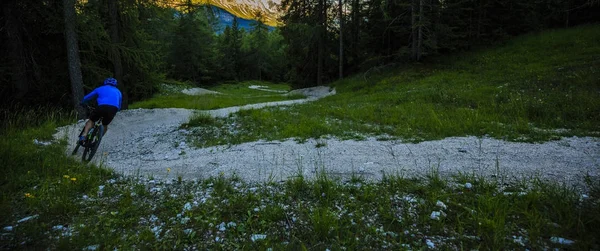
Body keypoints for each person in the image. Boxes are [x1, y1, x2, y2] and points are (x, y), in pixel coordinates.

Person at [79, 77, 122, 145]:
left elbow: (86, 97)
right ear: (115, 84)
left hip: (101, 107)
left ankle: (84, 136)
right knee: (105, 125)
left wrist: (82, 102)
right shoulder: (118, 92)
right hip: (113, 109)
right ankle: (97, 141)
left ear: (105, 83)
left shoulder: (100, 88)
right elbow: (119, 106)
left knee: (91, 121)